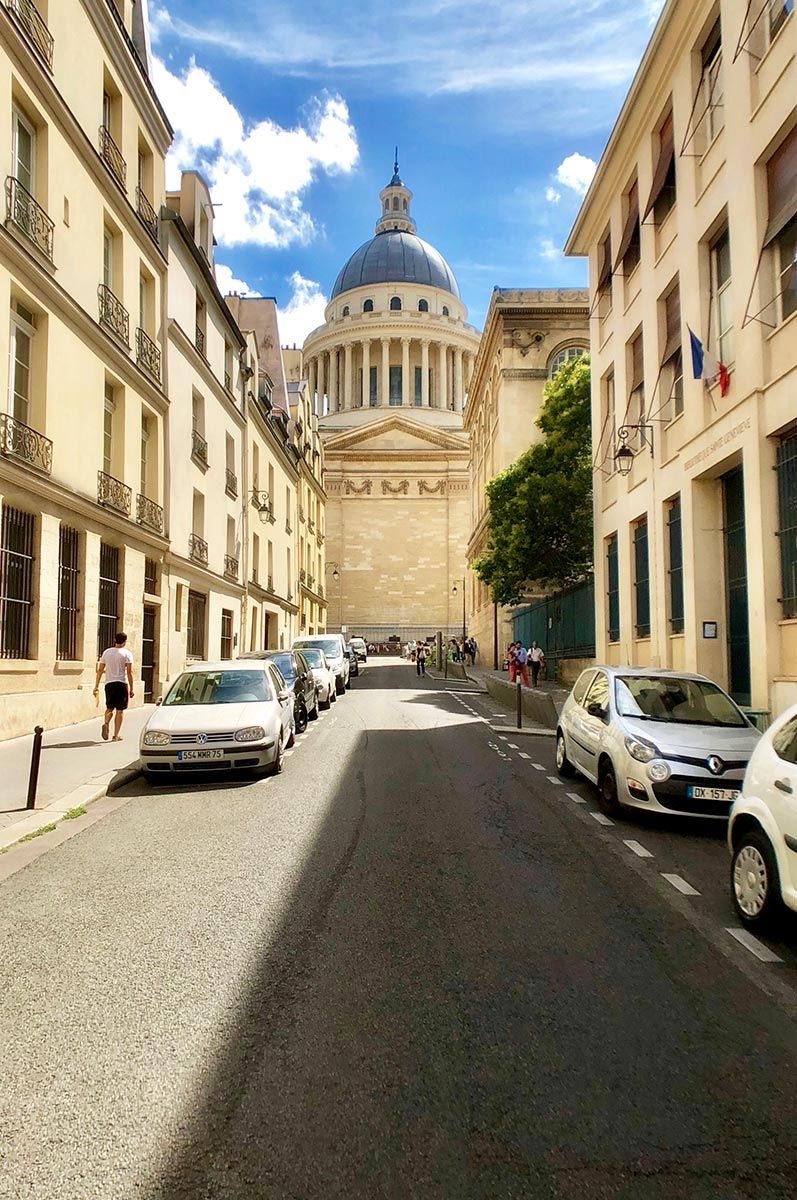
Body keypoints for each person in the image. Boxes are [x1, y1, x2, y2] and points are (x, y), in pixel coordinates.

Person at [94, 631, 135, 742]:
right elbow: (130, 672)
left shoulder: (107, 652)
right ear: (124, 642)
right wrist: (132, 688)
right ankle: (115, 735)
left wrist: (96, 685)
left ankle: (106, 722)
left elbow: (100, 670)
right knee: (120, 711)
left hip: (109, 684)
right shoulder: (127, 654)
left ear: (115, 640)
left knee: (109, 707)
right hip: (121, 683)